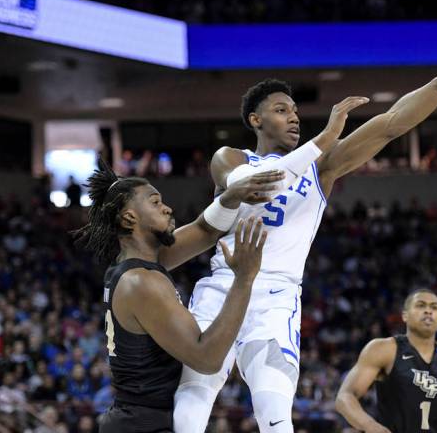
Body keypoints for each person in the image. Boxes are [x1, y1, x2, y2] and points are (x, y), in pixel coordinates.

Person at [173, 48, 437, 433]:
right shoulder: (231, 157)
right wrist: (324, 139)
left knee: (275, 413)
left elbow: (392, 123)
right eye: (282, 110)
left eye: (295, 110)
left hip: (276, 298)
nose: (294, 116)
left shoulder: (322, 166)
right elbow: (249, 186)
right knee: (194, 399)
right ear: (255, 119)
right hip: (223, 287)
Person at [73, 160, 284, 432]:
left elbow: (204, 231)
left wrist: (230, 197)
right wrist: (243, 279)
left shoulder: (134, 265)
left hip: (137, 419)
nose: (167, 207)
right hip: (143, 423)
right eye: (155, 202)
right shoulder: (141, 283)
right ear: (129, 218)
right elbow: (207, 359)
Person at [335, 289, 437, 432]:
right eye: (420, 305)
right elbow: (345, 397)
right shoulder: (384, 349)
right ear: (405, 316)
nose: (428, 311)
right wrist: (371, 426)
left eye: (434, 307)